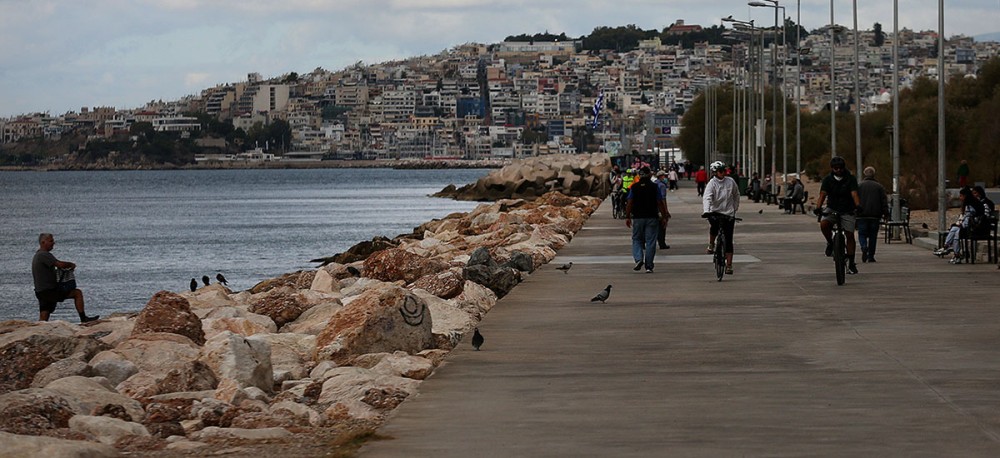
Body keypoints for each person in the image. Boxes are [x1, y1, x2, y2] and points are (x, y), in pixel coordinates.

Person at [32, 233, 99, 323]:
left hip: (40, 291)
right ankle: (83, 319)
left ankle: (40, 328)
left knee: (45, 312)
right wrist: (71, 264)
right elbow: (60, 264)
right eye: (51, 241)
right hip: (48, 291)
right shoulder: (43, 255)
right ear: (43, 242)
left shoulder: (38, 255)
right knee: (77, 293)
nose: (53, 243)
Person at [814, 156, 861, 274]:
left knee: (850, 235)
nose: (838, 170)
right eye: (836, 168)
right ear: (832, 168)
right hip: (832, 207)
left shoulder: (850, 178)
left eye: (840, 168)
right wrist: (818, 208)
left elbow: (854, 194)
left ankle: (851, 262)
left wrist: (858, 206)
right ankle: (830, 242)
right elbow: (822, 195)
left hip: (847, 209)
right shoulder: (827, 180)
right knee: (824, 224)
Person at [625, 166, 670, 273]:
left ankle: (639, 259)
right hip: (652, 217)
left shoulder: (634, 187)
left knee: (637, 239)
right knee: (651, 241)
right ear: (650, 175)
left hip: (638, 217)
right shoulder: (655, 187)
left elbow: (630, 202)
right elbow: (660, 202)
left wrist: (627, 216)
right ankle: (649, 266)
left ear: (639, 176)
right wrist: (664, 216)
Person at [702, 161, 741, 275]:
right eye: (720, 171)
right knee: (714, 227)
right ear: (715, 172)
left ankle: (729, 265)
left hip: (728, 213)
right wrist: (707, 211)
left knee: (729, 240)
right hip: (715, 211)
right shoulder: (711, 184)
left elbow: (736, 195)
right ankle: (711, 244)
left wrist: (735, 208)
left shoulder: (730, 182)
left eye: (724, 170)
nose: (723, 173)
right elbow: (707, 198)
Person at [934, 187, 987, 263]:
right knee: (954, 229)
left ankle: (955, 254)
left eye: (961, 196)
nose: (960, 198)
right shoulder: (972, 203)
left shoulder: (970, 205)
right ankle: (947, 247)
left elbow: (969, 218)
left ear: (965, 196)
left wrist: (961, 225)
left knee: (957, 233)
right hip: (970, 226)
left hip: (974, 228)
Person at [856, 166, 889, 263]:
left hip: (862, 215)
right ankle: (871, 256)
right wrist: (886, 214)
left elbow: (854, 199)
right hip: (875, 216)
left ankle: (863, 246)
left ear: (864, 174)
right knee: (873, 236)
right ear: (874, 174)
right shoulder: (879, 187)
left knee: (861, 233)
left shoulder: (859, 186)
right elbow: (884, 202)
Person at [654, 170, 670, 250]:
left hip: (653, 208)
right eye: (664, 176)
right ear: (661, 176)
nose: (665, 178)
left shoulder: (654, 183)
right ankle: (662, 243)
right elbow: (663, 199)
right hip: (660, 208)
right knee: (662, 226)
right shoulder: (662, 185)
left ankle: (644, 242)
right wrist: (666, 211)